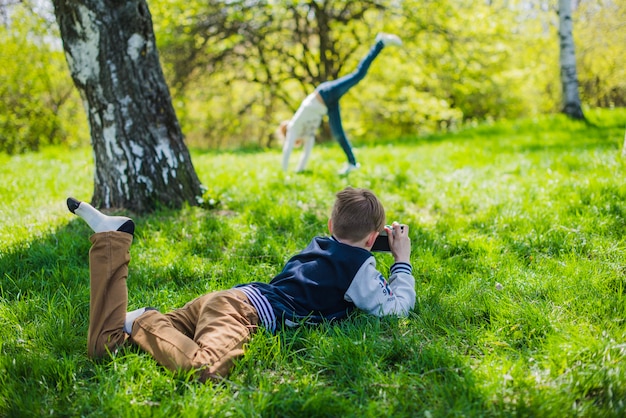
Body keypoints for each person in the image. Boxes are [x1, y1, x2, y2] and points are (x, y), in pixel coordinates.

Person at [67, 187, 415, 382]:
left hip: (227, 299)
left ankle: (110, 240)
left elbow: (345, 251)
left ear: (329, 224)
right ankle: (145, 319)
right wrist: (401, 260)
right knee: (207, 370)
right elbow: (393, 309)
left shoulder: (319, 244)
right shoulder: (359, 266)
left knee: (106, 345)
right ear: (372, 240)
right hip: (241, 313)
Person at [280, 33, 403, 175]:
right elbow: (306, 152)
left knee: (358, 75)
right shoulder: (306, 133)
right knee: (338, 134)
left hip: (325, 94)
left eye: (296, 142)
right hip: (327, 105)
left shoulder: (293, 127)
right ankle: (352, 164)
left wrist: (284, 174)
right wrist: (299, 171)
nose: (298, 143)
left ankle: (380, 43)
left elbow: (287, 150)